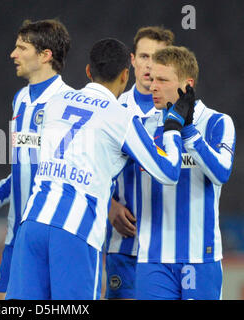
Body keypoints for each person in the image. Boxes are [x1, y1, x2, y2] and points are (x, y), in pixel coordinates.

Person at [5, 38, 193, 300]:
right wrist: (173, 125)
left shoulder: (55, 102)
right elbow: (169, 172)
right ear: (125, 75)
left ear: (88, 71)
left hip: (33, 222)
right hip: (75, 230)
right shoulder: (121, 117)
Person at [0, 19, 72, 300]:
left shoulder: (68, 103)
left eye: (21, 47)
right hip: (17, 233)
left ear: (45, 55)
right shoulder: (20, 100)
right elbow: (22, 165)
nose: (12, 54)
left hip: (52, 236)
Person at [135, 46, 236, 300]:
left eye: (162, 80)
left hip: (201, 256)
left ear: (187, 84)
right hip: (153, 257)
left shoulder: (218, 122)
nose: (153, 87)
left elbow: (222, 172)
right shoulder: (142, 126)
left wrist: (188, 131)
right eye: (151, 79)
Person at [105, 26, 174, 300]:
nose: (149, 65)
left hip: (170, 247)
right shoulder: (112, 109)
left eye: (157, 58)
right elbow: (89, 166)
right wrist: (109, 207)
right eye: (144, 56)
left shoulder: (181, 115)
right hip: (124, 245)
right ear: (132, 60)